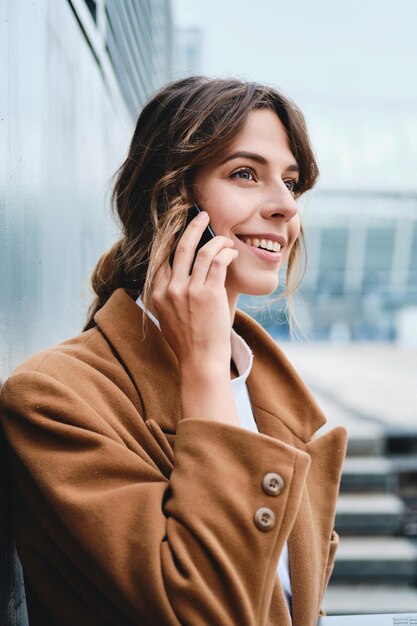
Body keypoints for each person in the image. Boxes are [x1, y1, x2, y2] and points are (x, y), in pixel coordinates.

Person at [0, 76, 347, 626]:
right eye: (244, 174)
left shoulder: (276, 401)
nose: (285, 206)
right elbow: (206, 612)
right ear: (171, 200)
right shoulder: (55, 398)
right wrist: (204, 368)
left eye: (291, 182)